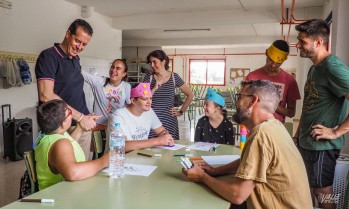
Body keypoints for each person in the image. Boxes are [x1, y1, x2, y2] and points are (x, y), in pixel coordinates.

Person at [182, 80, 312, 209]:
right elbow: (246, 161)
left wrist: (202, 177)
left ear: (252, 101)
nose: (236, 103)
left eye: (239, 97)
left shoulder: (261, 135)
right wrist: (216, 170)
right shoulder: (275, 126)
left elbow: (237, 195)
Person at [294, 19, 349, 209]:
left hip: (322, 147)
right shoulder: (314, 68)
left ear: (318, 42)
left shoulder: (332, 66)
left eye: (302, 41)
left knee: (323, 193)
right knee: (308, 188)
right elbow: (309, 106)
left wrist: (336, 132)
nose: (297, 45)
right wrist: (297, 135)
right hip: (307, 143)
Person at [35, 19, 100, 160]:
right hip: (60, 127)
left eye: (84, 44)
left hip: (81, 125)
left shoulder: (75, 60)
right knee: (61, 175)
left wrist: (86, 115)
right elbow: (46, 95)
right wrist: (81, 117)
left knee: (81, 169)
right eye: (77, 41)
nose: (80, 47)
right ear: (68, 34)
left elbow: (74, 90)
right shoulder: (49, 57)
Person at [34, 100, 109, 190]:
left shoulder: (49, 135)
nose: (72, 114)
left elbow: (68, 145)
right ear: (63, 123)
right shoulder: (59, 143)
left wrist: (80, 127)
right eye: (69, 112)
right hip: (59, 197)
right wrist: (104, 161)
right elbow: (73, 173)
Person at [108, 82, 174, 152]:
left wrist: (165, 136)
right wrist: (157, 141)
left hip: (141, 156)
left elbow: (161, 131)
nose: (149, 102)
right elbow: (122, 146)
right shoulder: (118, 116)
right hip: (120, 160)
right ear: (133, 100)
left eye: (150, 98)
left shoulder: (149, 111)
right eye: (144, 99)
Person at [246, 40, 301, 123]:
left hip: (276, 129)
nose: (273, 65)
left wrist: (272, 105)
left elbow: (291, 113)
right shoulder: (252, 77)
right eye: (271, 60)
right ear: (266, 53)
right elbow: (244, 104)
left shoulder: (290, 81)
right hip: (254, 127)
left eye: (278, 63)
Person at [143, 50, 194, 140]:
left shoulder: (174, 77)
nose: (152, 65)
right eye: (150, 63)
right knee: (151, 148)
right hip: (151, 120)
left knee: (169, 149)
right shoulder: (149, 77)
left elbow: (190, 95)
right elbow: (142, 98)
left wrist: (181, 111)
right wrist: (155, 87)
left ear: (163, 62)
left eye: (154, 62)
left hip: (169, 121)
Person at [82, 59, 131, 131]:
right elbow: (82, 73)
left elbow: (128, 105)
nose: (114, 70)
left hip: (117, 125)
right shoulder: (99, 81)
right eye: (112, 67)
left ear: (124, 74)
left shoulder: (126, 86)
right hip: (98, 126)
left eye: (118, 68)